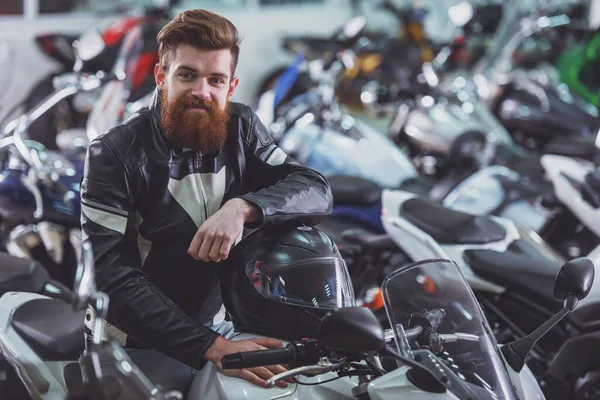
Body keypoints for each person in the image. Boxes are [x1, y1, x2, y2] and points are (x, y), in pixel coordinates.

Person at [80, 8, 333, 396]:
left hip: (222, 328)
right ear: (162, 77)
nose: (202, 90)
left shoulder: (241, 128)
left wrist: (242, 207)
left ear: (231, 87)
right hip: (134, 345)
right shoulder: (114, 154)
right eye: (187, 75)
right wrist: (210, 347)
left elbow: (314, 187)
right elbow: (109, 275)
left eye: (215, 79)